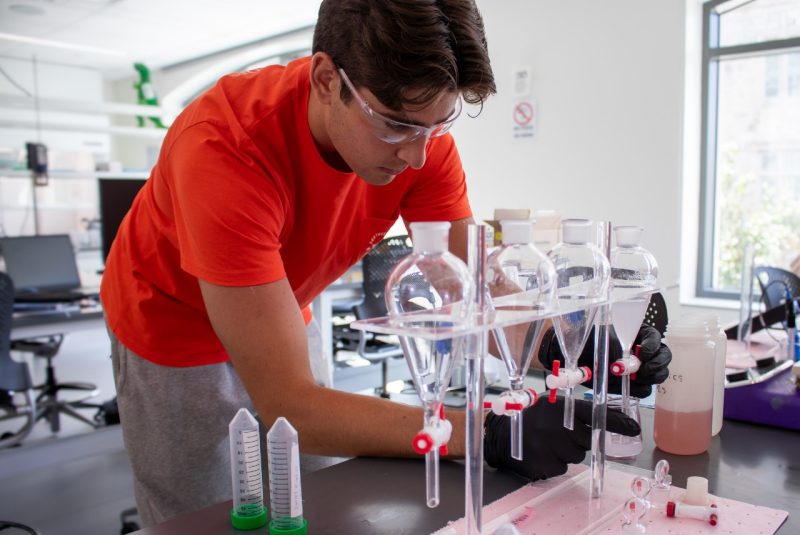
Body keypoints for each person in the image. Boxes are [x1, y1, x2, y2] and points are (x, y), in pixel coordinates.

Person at [101, 0, 668, 526]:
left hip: (279, 305)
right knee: (213, 517)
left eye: (438, 126)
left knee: (313, 501)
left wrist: (570, 343)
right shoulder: (224, 149)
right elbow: (289, 402)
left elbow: (474, 284)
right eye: (397, 125)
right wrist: (486, 431)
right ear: (327, 80)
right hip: (172, 330)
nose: (418, 155)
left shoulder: (419, 131)